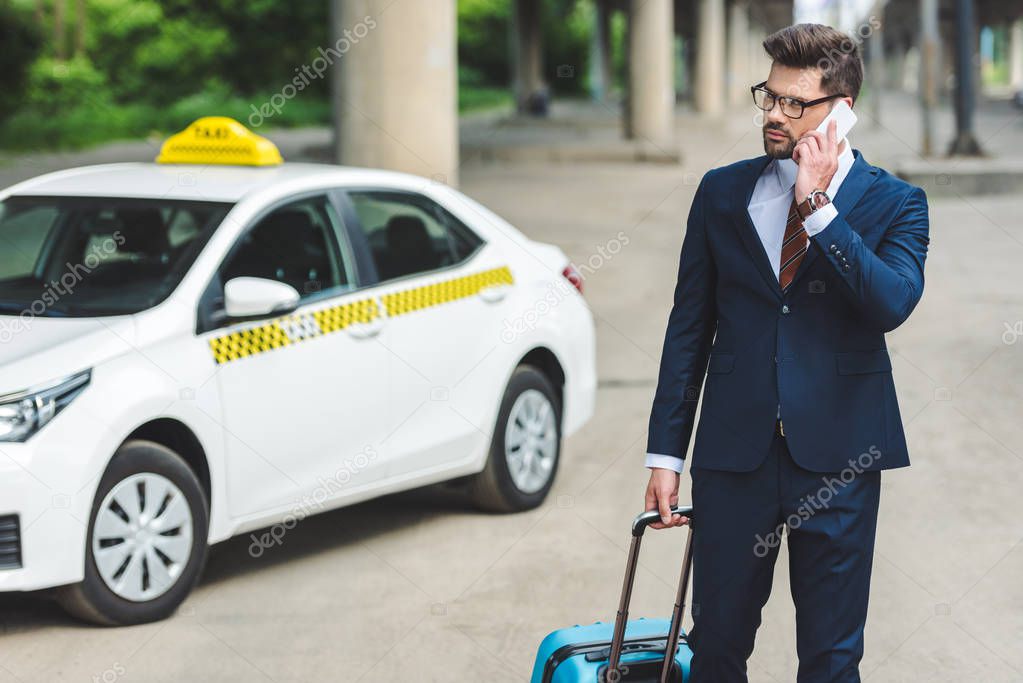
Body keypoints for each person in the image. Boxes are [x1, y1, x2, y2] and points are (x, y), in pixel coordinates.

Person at [643, 23, 930, 683]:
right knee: (713, 644)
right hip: (732, 457)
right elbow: (689, 325)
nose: (772, 114)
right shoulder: (721, 191)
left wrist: (819, 206)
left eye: (793, 103)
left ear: (843, 112)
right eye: (767, 96)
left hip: (840, 457)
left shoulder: (897, 203)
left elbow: (890, 304)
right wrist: (665, 453)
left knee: (830, 659)